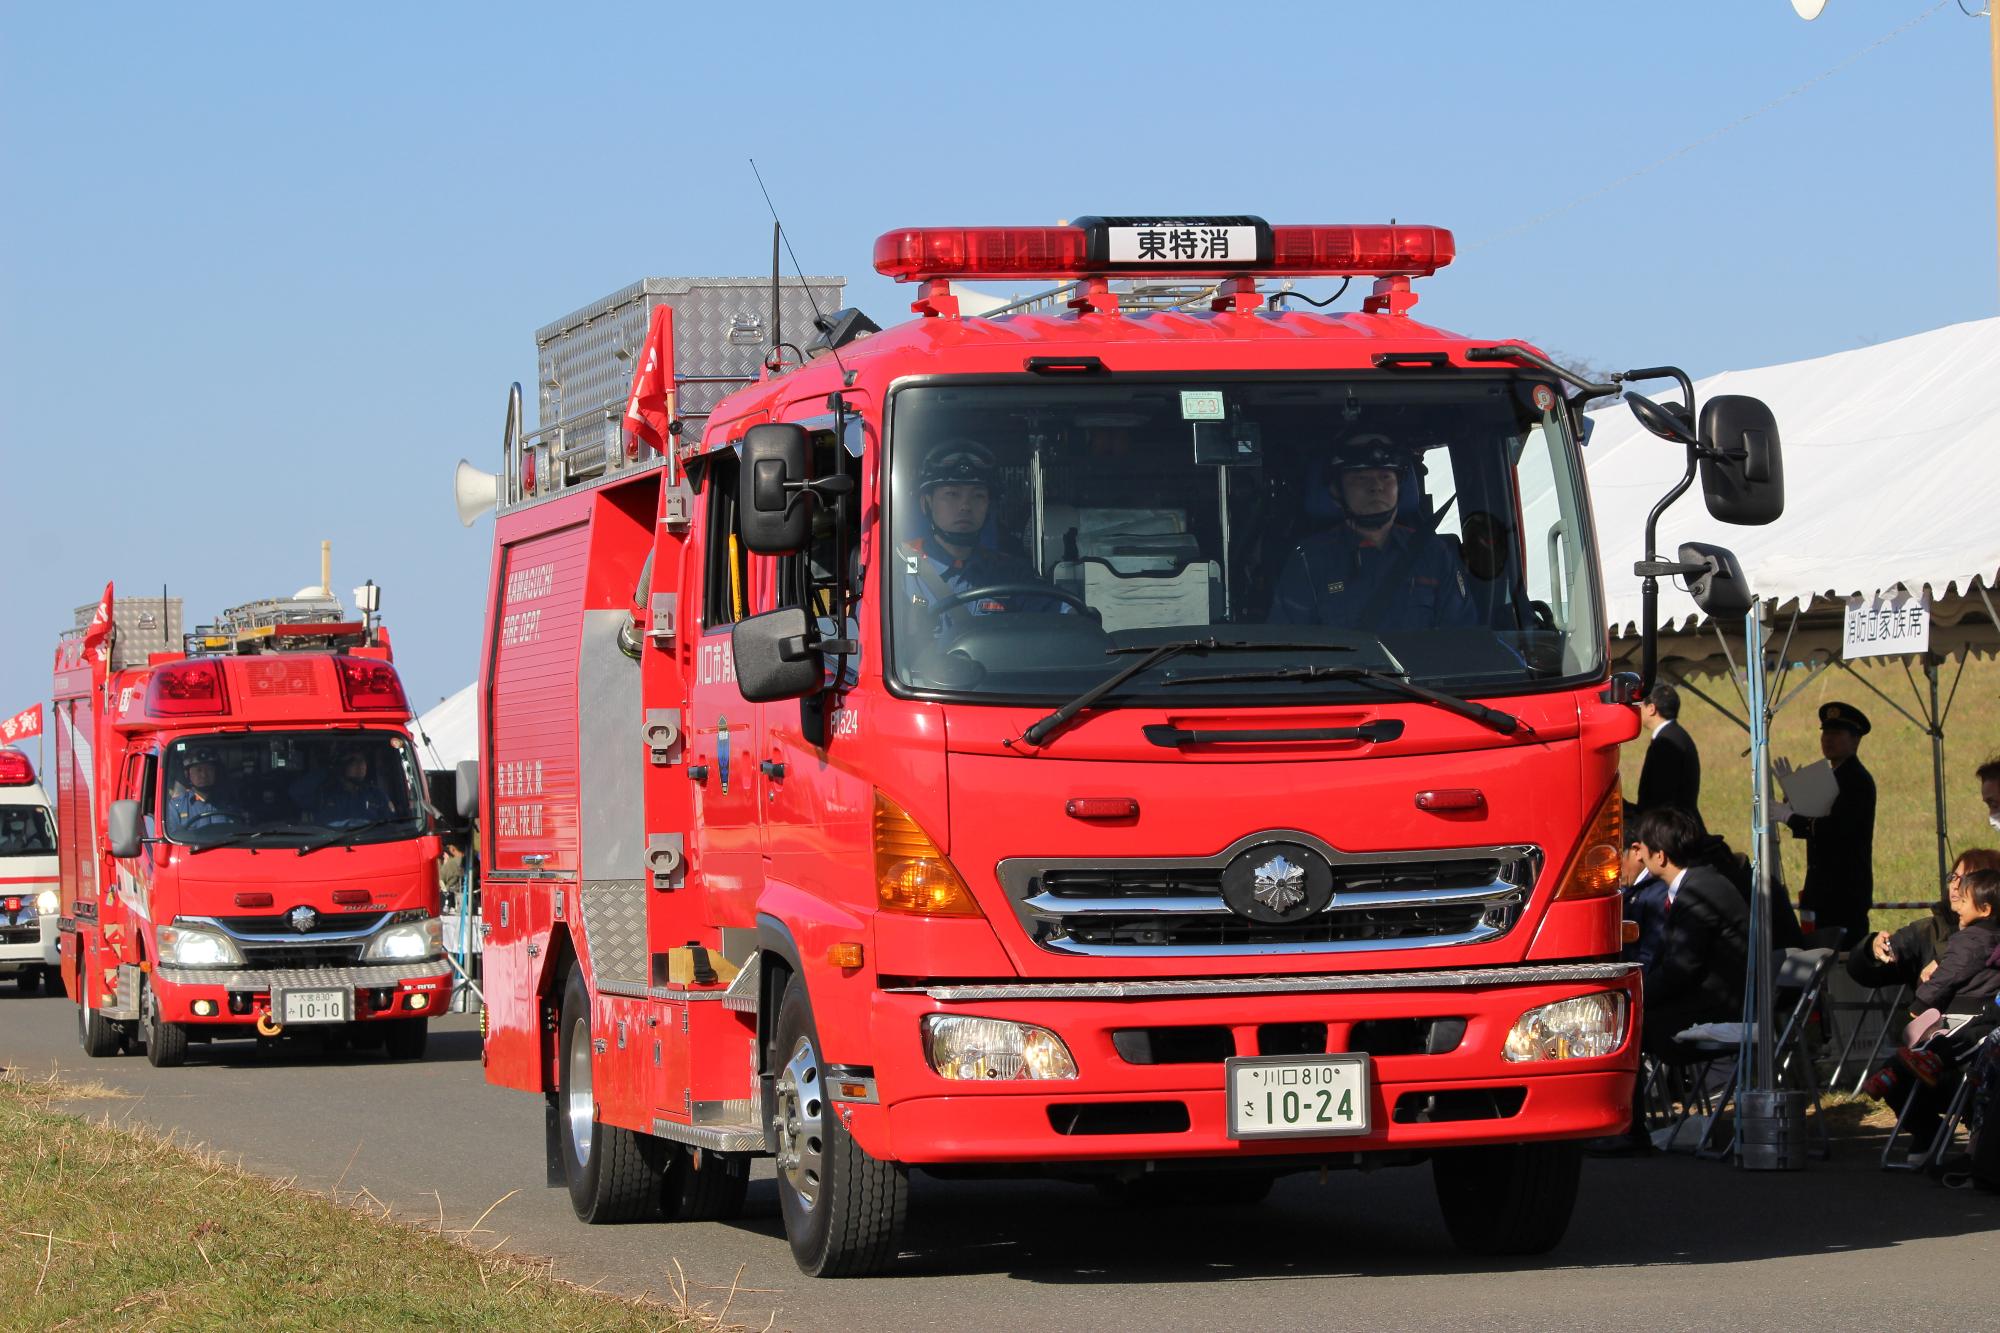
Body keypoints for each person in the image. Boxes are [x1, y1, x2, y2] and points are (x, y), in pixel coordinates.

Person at [1595, 806, 1750, 1154]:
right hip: (1710, 997)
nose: (1638, 855)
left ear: (1660, 856)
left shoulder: (1698, 892)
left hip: (1718, 1006)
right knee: (1627, 1018)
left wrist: (1635, 997)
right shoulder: (1701, 883)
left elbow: (1682, 968)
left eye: (1643, 849)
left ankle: (1629, 1131)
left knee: (1626, 1027)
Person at [1268, 434, 1478, 631]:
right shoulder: (1309, 560)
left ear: (1400, 488)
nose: (1376, 486)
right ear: (1336, 491)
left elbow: (1462, 638)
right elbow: (1289, 645)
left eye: (1386, 476)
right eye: (1360, 477)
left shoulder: (1433, 553)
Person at [898, 439, 1071, 639]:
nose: (965, 506)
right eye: (952, 494)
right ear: (926, 503)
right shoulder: (897, 569)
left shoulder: (1010, 573)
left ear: (989, 506)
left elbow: (1064, 619)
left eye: (978, 496)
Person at [1776, 701, 1877, 946]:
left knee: (1841, 956)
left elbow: (1835, 829)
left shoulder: (1856, 780)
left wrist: (1789, 817)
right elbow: (1816, 815)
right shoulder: (1834, 776)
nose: (1828, 740)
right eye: (1825, 733)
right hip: (1822, 890)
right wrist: (1793, 796)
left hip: (1844, 891)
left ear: (1855, 740)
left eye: (1837, 733)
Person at [1848, 848, 2000, 992]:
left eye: (1966, 880)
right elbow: (1864, 973)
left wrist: (1943, 960)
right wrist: (1872, 949)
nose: (1955, 885)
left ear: (1989, 888)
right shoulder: (1928, 931)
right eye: (1953, 877)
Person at [1625, 683, 1700, 824]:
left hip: (1670, 828)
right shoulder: (1677, 735)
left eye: (1640, 705)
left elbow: (1659, 796)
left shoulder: (1665, 743)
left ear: (1651, 708)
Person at [311, 745, 392, 827]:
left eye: (362, 760)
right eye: (353, 761)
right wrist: (327, 769)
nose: (360, 765)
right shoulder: (326, 794)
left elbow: (391, 825)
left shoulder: (376, 794)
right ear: (342, 765)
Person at [165, 747, 237, 835]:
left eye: (209, 769)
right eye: (198, 770)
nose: (204, 775)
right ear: (187, 774)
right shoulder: (176, 807)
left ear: (216, 772)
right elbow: (172, 838)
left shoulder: (229, 802)